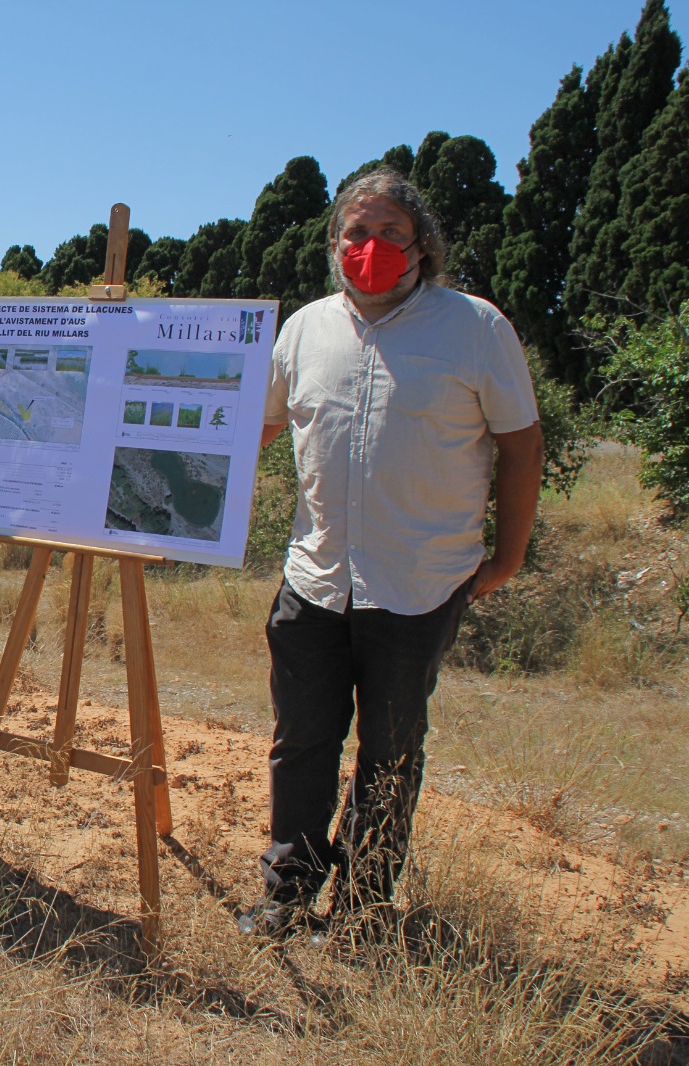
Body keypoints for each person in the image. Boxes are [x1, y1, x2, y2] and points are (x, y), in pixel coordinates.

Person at [243, 169, 543, 938]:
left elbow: (521, 444)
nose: (369, 249)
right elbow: (263, 429)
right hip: (314, 578)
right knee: (301, 742)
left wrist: (507, 558)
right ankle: (288, 890)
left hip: (418, 585)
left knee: (391, 754)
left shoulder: (475, 328)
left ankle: (366, 907)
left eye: (388, 235)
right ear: (336, 243)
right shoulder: (304, 328)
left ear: (422, 246)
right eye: (355, 234)